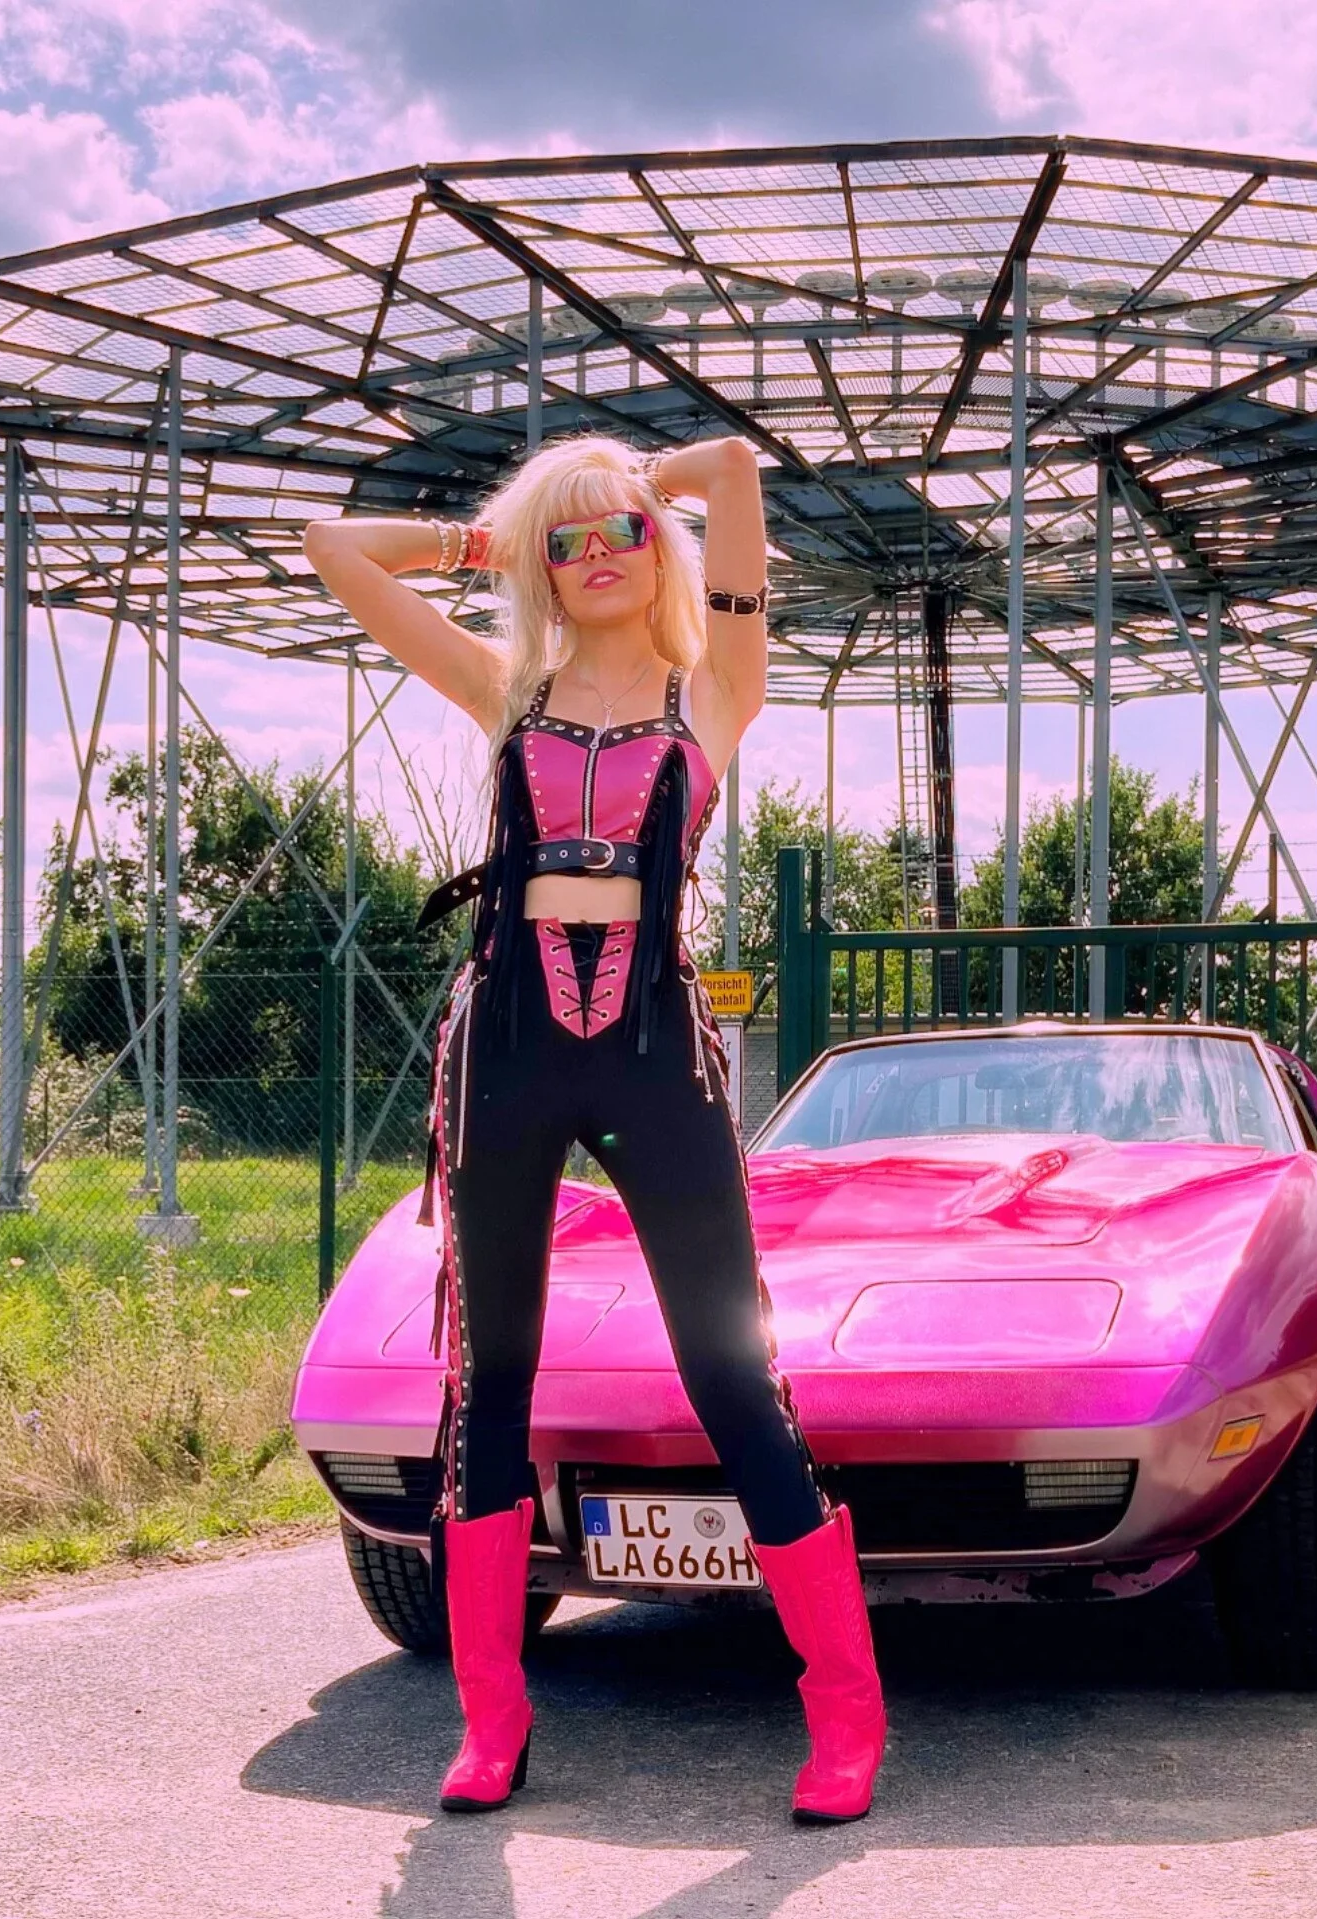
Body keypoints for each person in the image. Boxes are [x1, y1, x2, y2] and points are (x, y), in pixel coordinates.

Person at [303, 435, 886, 1825]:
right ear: (541, 568)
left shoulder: (717, 686)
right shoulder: (505, 686)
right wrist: (495, 537)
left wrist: (641, 477)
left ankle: (846, 1715)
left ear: (656, 541)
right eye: (564, 543)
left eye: (619, 529)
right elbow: (336, 550)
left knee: (732, 1371)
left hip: (654, 1050)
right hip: (504, 1047)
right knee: (486, 1380)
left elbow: (733, 473)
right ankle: (491, 1722)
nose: (596, 555)